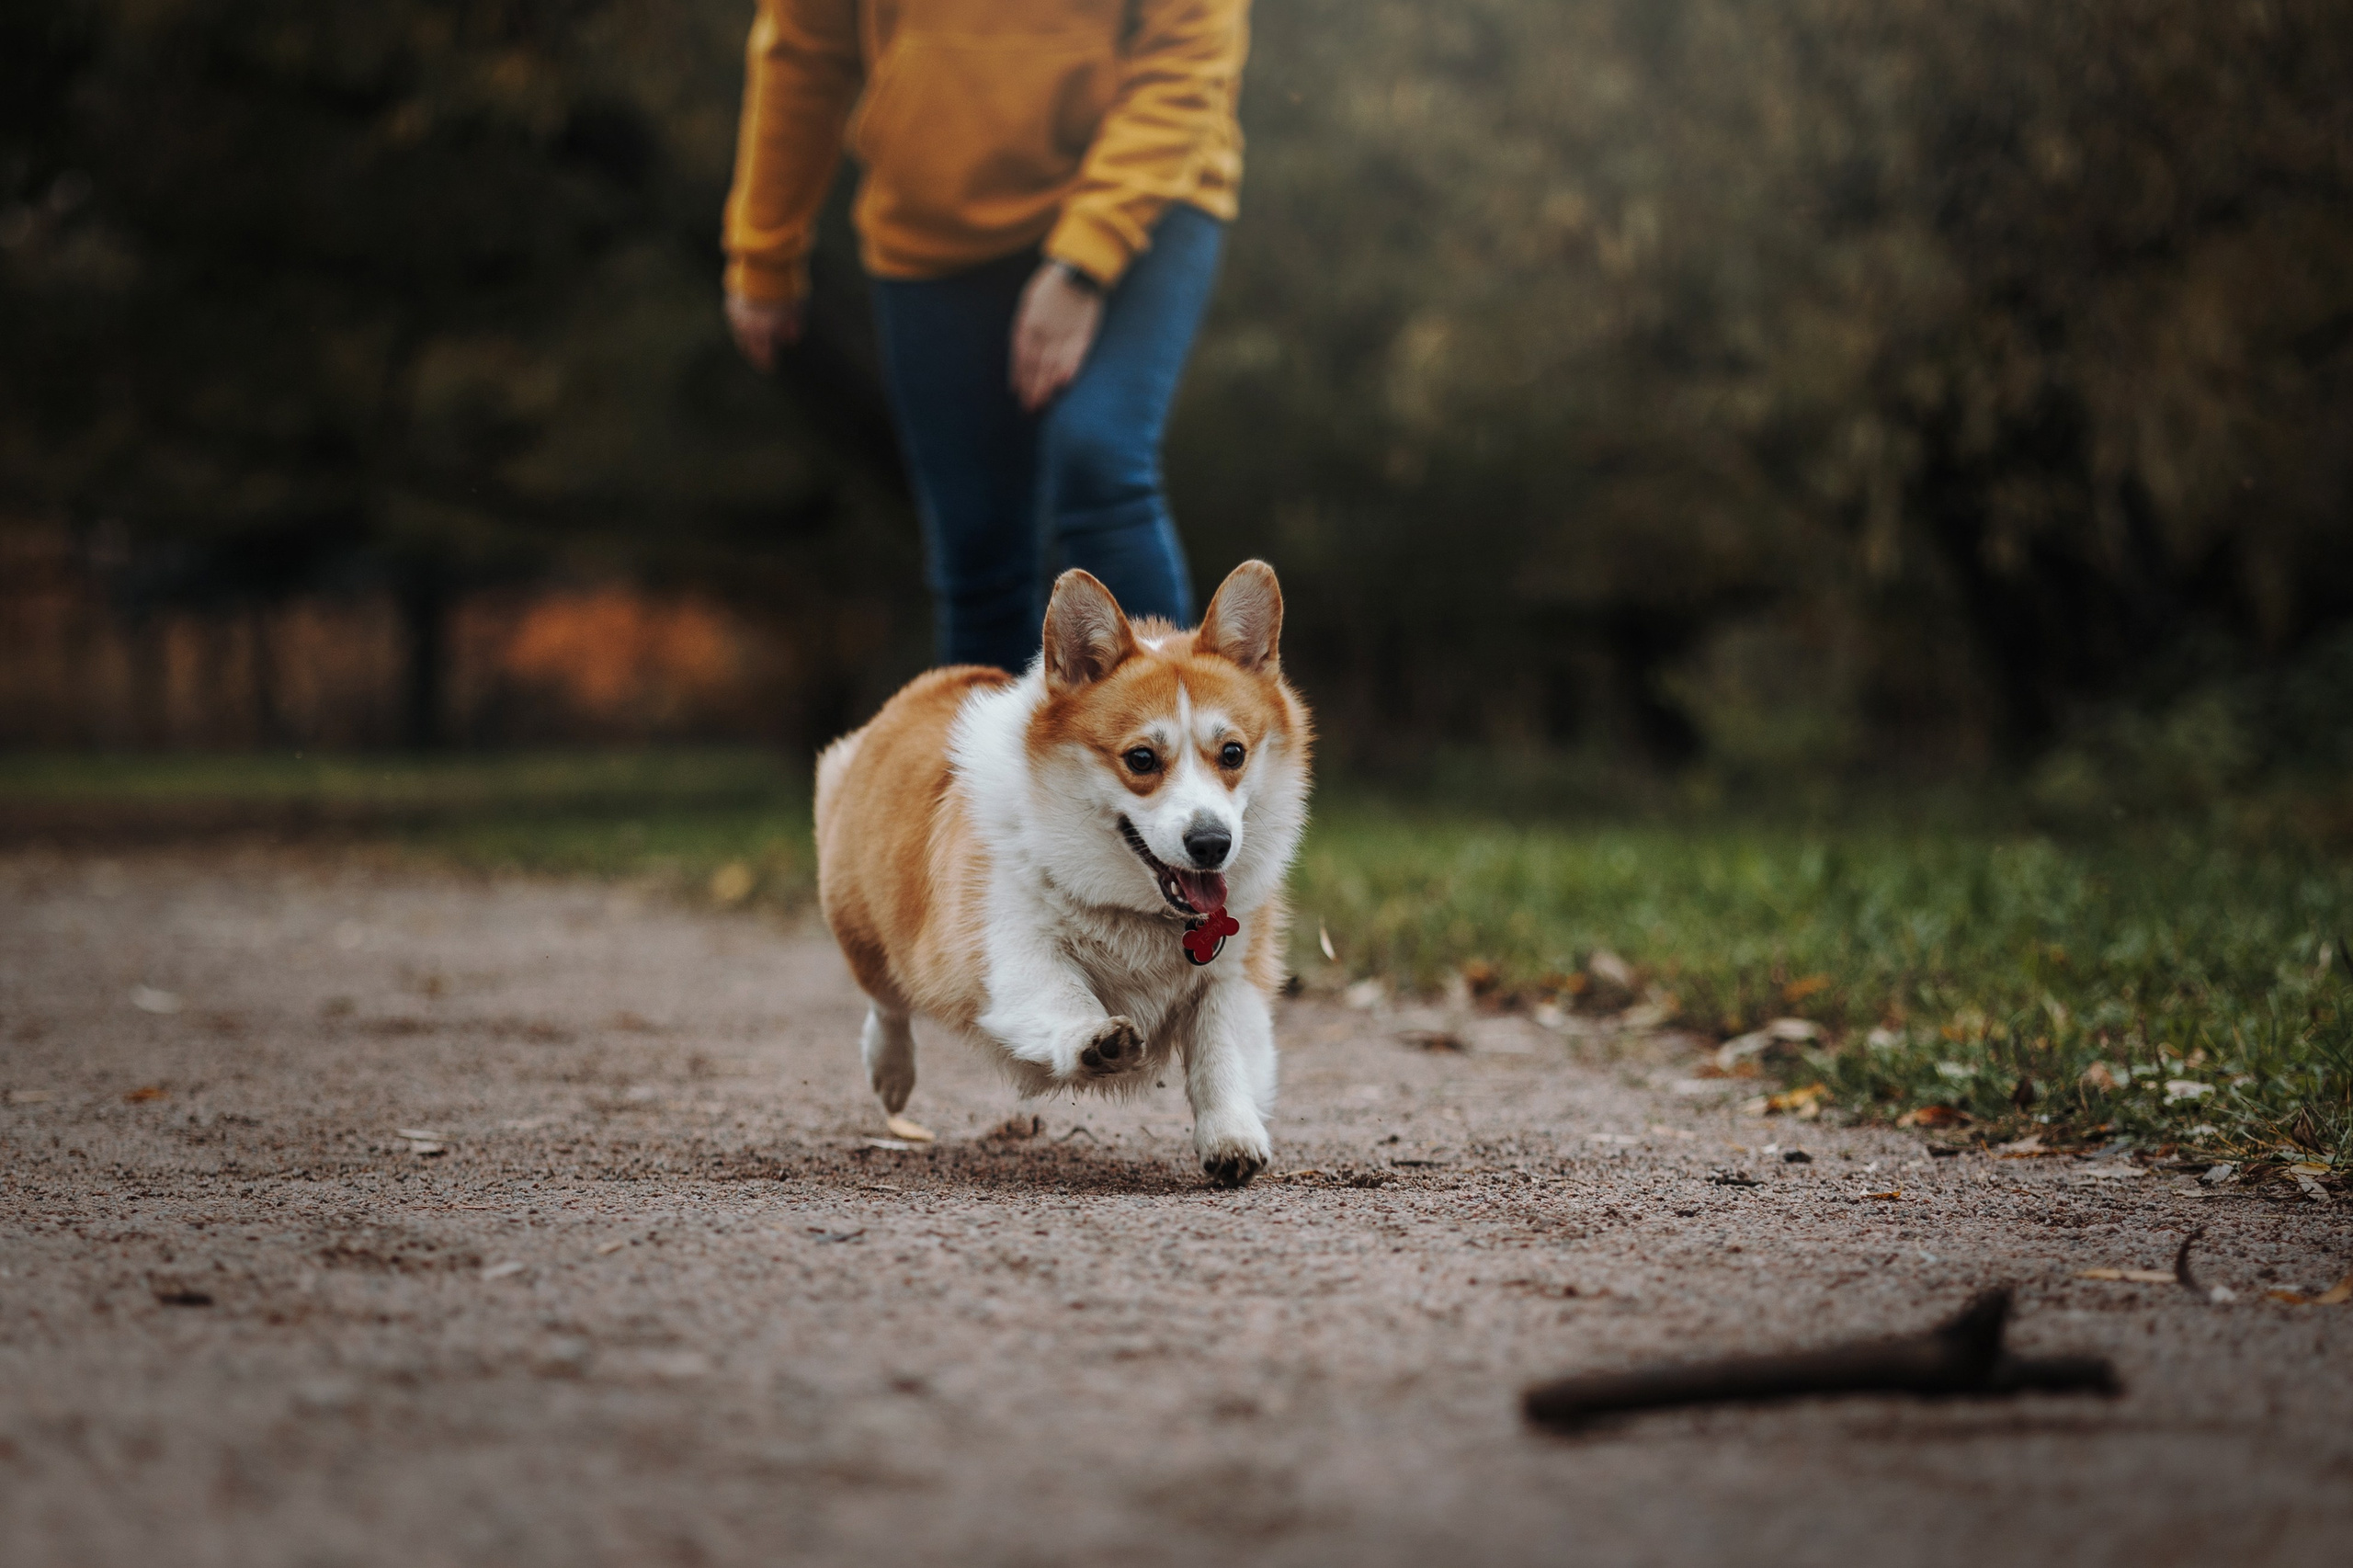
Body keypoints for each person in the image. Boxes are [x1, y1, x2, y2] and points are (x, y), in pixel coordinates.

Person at [722, 0, 1250, 676]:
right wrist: (764, 248)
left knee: (1098, 458)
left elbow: (1187, 60)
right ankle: (992, 752)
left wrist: (1083, 265)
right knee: (977, 548)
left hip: (1149, 186)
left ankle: (1170, 737)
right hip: (934, 222)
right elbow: (805, 49)